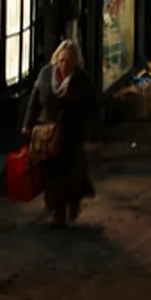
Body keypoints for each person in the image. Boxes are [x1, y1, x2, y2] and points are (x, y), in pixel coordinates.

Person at [22, 38, 97, 227]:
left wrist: (92, 137)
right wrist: (27, 125)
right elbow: (35, 101)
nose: (65, 65)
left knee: (71, 173)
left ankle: (72, 203)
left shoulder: (82, 80)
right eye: (62, 60)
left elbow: (92, 111)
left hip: (72, 134)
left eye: (69, 61)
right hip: (48, 133)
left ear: (76, 62)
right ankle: (57, 211)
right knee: (51, 174)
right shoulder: (46, 75)